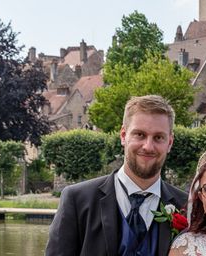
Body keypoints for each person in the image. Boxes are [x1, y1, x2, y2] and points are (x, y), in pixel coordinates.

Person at [46, 95, 188, 256]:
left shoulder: (187, 207)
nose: (148, 146)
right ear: (123, 136)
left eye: (158, 137)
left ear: (169, 143)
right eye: (140, 135)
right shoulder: (78, 200)